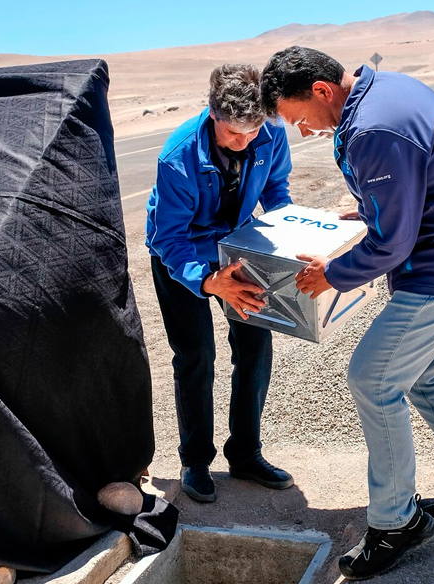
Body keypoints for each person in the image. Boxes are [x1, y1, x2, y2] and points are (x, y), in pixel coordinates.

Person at [260, 46, 434, 579]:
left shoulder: (372, 128)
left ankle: (397, 522)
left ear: (322, 91)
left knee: (373, 380)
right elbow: (417, 182)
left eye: (297, 117)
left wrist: (332, 273)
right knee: (424, 373)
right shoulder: (386, 91)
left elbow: (392, 244)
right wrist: (370, 210)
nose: (302, 131)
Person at [146, 64, 294, 503]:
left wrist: (291, 234)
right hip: (182, 256)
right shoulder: (178, 157)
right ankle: (195, 461)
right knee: (197, 356)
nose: (245, 141)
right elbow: (169, 238)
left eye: (253, 132)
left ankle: (245, 454)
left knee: (255, 348)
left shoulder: (271, 130)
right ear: (213, 114)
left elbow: (277, 187)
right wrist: (210, 282)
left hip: (238, 246)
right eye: (233, 133)